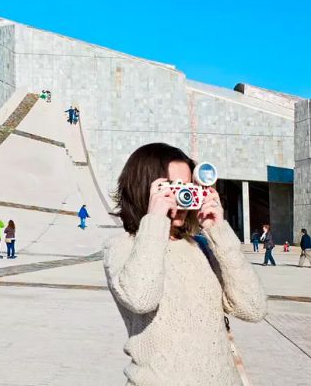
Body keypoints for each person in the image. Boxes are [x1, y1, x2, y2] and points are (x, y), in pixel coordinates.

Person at [103, 142, 266, 386]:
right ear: (145, 189)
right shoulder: (122, 247)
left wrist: (218, 231)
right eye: (173, 188)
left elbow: (253, 308)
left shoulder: (201, 247)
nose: (183, 197)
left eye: (188, 187)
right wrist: (156, 219)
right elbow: (141, 298)